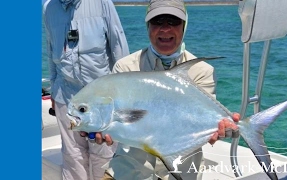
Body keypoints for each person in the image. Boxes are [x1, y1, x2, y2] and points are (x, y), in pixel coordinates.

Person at [77, 0, 239, 180]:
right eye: (157, 21)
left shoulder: (201, 70)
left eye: (173, 22)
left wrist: (219, 127)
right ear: (148, 26)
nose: (165, 29)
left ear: (184, 26)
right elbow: (120, 124)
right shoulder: (125, 68)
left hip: (182, 173)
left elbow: (197, 120)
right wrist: (100, 129)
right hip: (130, 172)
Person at [42, 0, 130, 179]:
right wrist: (53, 89)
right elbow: (51, 51)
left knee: (104, 156)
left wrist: (125, 93)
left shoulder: (102, 3)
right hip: (65, 95)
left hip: (101, 100)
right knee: (72, 156)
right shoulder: (48, 8)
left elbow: (119, 48)